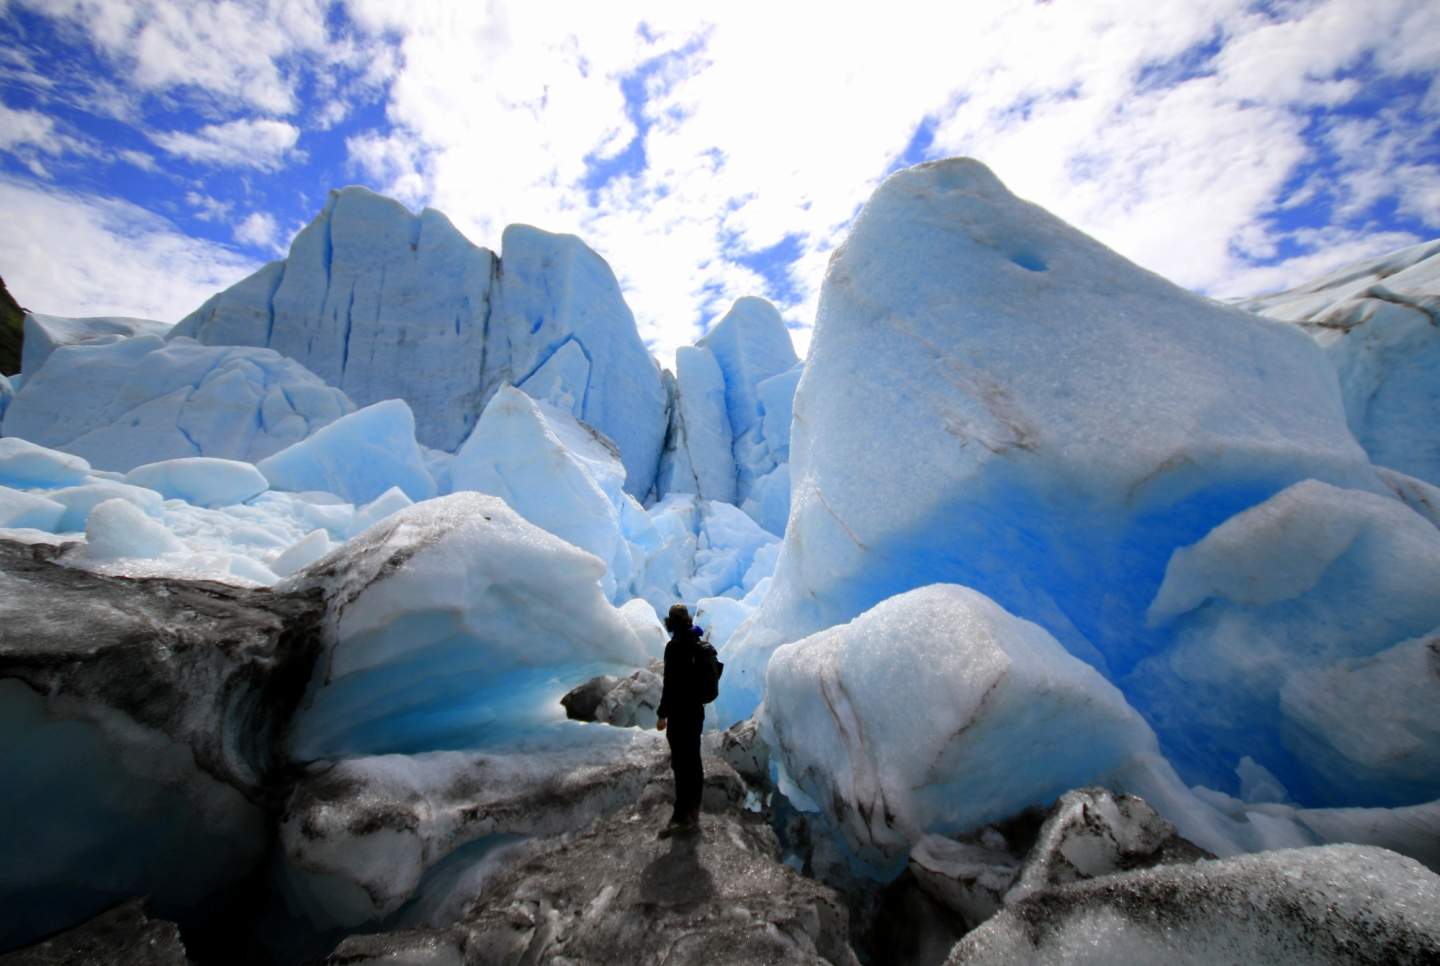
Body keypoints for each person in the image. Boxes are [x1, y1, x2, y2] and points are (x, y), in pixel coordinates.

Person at [656, 602, 705, 837]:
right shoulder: (699, 644)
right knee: (694, 760)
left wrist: (662, 714)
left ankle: (681, 813)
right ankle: (693, 810)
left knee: (680, 762)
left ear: (671, 622)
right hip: (696, 712)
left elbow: (670, 684)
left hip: (678, 713)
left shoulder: (674, 647)